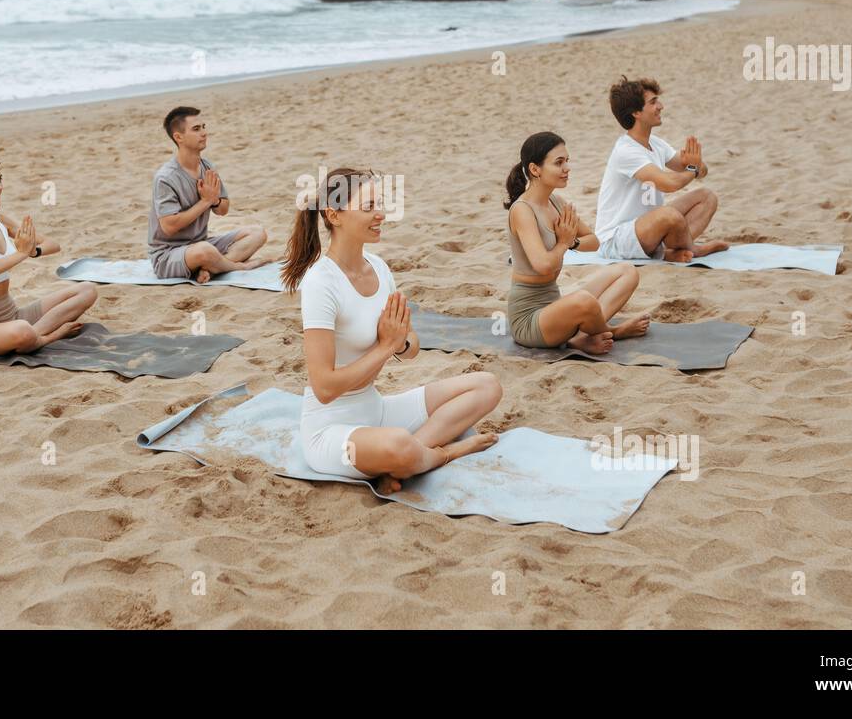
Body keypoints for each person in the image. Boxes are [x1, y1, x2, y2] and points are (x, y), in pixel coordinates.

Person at [282, 167, 501, 492]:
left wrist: (398, 344)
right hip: (331, 430)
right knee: (397, 444)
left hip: (377, 410)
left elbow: (410, 345)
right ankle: (441, 454)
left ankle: (407, 460)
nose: (380, 214)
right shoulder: (321, 283)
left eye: (380, 204)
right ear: (335, 215)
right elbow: (324, 387)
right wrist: (385, 347)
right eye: (369, 207)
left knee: (487, 386)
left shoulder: (379, 268)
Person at [0, 149, 98, 355]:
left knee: (87, 289)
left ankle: (33, 336)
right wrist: (21, 253)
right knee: (22, 330)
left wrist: (33, 251)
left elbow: (53, 244)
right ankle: (46, 336)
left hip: (12, 314)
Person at [506, 132, 650, 354]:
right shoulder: (522, 210)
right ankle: (613, 331)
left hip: (553, 303)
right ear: (535, 169)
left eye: (567, 161)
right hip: (529, 320)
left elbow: (594, 241)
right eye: (559, 163)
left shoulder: (555, 201)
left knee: (627, 271)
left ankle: (582, 336)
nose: (567, 168)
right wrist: (563, 243)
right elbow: (543, 265)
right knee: (584, 301)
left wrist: (571, 242)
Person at [595, 76, 730, 263]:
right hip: (616, 241)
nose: (661, 106)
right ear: (636, 112)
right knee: (668, 215)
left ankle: (668, 251)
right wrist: (692, 168)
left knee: (707, 197)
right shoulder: (626, 151)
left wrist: (695, 165)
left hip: (647, 230)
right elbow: (669, 183)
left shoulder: (655, 144)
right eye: (653, 102)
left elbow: (701, 169)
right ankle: (692, 249)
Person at [149, 106, 268, 282]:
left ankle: (212, 269)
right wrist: (205, 202)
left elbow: (223, 209)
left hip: (201, 244)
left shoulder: (207, 167)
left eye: (203, 127)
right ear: (178, 137)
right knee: (205, 251)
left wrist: (214, 201)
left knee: (258, 233)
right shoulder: (166, 178)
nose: (204, 133)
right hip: (168, 256)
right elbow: (169, 226)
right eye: (196, 129)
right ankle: (238, 266)